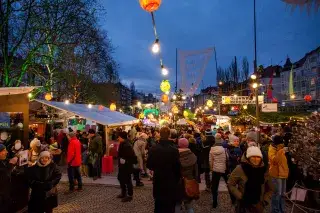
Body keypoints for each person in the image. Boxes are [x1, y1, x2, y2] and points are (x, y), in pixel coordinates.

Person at [228, 146, 274, 213]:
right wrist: (240, 197)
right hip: (243, 205)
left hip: (259, 205)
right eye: (253, 157)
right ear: (248, 158)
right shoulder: (240, 169)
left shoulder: (264, 170)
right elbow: (230, 184)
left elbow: (271, 188)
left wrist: (265, 200)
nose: (256, 159)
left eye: (258, 157)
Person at [147, 126, 181, 213]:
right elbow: (177, 167)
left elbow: (149, 165)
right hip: (171, 180)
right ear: (169, 135)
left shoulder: (153, 149)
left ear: (160, 135)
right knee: (170, 206)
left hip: (159, 179)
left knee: (158, 204)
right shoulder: (174, 149)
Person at [176, 138, 198, 213]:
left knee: (177, 204)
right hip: (189, 181)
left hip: (177, 181)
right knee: (188, 204)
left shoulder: (175, 156)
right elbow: (196, 172)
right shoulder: (193, 156)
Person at [268, 135, 289, 213]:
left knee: (283, 194)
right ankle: (275, 210)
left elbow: (283, 162)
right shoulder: (272, 149)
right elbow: (274, 160)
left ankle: (282, 209)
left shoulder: (281, 148)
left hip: (283, 173)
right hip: (276, 174)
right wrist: (281, 151)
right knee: (277, 193)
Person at [209, 133, 228, 208]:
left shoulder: (211, 150)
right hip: (223, 169)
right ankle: (233, 199)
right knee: (229, 184)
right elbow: (227, 158)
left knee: (214, 187)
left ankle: (214, 202)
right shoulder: (224, 149)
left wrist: (211, 168)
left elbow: (210, 161)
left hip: (215, 170)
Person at [117, 131, 137, 202]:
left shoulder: (127, 145)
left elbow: (132, 156)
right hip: (122, 166)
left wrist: (125, 160)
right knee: (120, 178)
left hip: (126, 166)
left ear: (122, 137)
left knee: (127, 180)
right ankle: (123, 193)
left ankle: (129, 195)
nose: (118, 138)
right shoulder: (123, 143)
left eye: (119, 137)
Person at [0, 144, 18, 213]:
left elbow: (8, 162)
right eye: (4, 150)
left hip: (6, 194)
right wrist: (11, 164)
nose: (7, 152)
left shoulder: (3, 160)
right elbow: (4, 176)